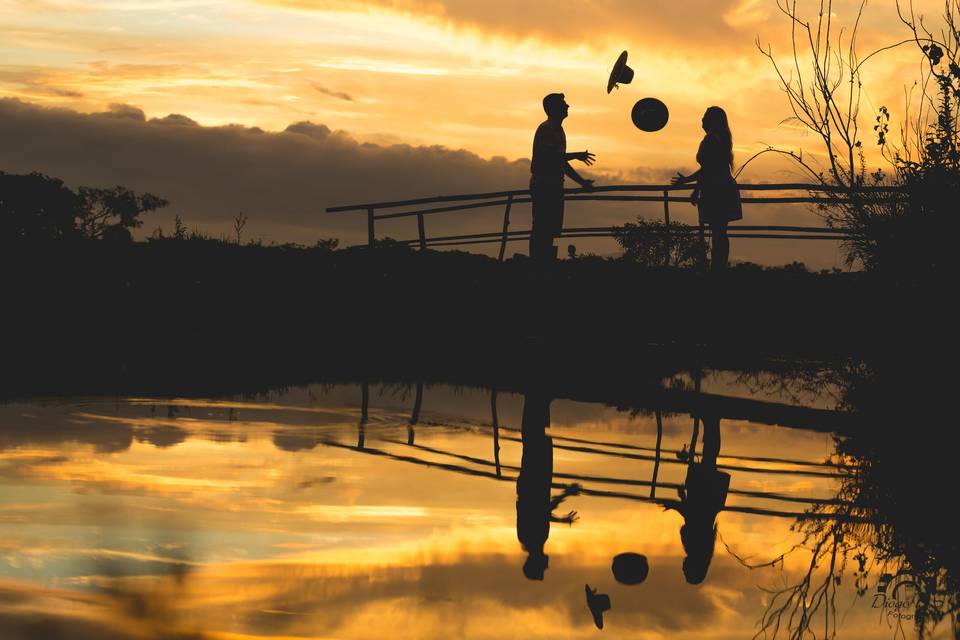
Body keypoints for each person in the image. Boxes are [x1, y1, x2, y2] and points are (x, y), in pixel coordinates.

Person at [516, 389, 580, 580]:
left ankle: (536, 397)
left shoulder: (531, 539)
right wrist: (564, 497)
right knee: (537, 441)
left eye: (542, 568)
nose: (547, 565)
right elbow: (544, 510)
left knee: (534, 442)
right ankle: (541, 400)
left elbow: (540, 510)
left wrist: (565, 496)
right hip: (536, 485)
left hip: (532, 484)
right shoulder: (535, 540)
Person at [671, 106, 742, 270]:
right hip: (722, 188)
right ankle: (719, 268)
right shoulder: (721, 139)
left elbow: (708, 169)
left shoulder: (711, 139)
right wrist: (694, 187)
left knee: (718, 233)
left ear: (711, 120)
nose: (701, 120)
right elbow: (710, 169)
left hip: (717, 190)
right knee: (720, 233)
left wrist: (690, 184)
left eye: (704, 117)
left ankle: (717, 269)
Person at [529, 93, 596, 261]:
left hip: (553, 185)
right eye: (564, 104)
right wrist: (576, 155)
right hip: (545, 185)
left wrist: (581, 182)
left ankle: (543, 260)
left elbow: (559, 161)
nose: (567, 106)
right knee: (542, 227)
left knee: (548, 228)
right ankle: (539, 262)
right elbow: (552, 157)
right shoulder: (547, 129)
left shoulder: (557, 129)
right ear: (554, 109)